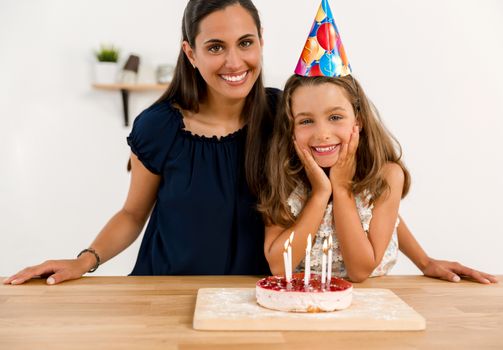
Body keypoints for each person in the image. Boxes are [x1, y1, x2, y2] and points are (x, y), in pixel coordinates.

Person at [3, 0, 496, 286]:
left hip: (256, 297)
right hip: (164, 292)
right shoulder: (159, 127)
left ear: (261, 41)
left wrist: (424, 259)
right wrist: (84, 260)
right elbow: (133, 214)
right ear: (190, 53)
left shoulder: (289, 116)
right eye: (215, 46)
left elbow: (362, 189)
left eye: (245, 43)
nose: (233, 61)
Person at [258, 0, 497, 283]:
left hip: (369, 302)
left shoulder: (385, 176)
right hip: (300, 302)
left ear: (357, 121)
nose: (322, 133)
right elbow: (278, 265)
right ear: (291, 129)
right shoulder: (282, 175)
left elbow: (360, 270)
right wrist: (322, 193)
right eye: (306, 121)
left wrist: (342, 189)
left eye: (335, 117)